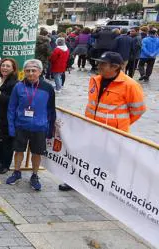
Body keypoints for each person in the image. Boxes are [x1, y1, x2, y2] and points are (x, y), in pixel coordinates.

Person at [59, 51, 146, 192]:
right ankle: (75, 181)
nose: (98, 65)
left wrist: (119, 123)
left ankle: (103, 188)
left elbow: (138, 110)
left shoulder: (130, 85)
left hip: (112, 132)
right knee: (83, 156)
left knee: (108, 161)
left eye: (103, 64)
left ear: (115, 67)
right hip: (90, 127)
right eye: (99, 62)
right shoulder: (95, 80)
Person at [6, 59, 56, 191]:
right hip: (21, 125)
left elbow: (51, 110)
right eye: (28, 70)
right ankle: (17, 172)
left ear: (39, 72)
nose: (30, 73)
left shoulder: (48, 88)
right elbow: (11, 107)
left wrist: (50, 129)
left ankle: (34, 175)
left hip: (39, 127)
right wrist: (11, 126)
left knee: (37, 153)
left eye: (34, 70)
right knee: (18, 150)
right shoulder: (18, 86)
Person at [0, 58, 18, 174]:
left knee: (7, 141)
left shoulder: (15, 83)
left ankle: (6, 164)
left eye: (8, 66)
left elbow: (15, 101)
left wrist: (2, 96)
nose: (4, 68)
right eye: (3, 65)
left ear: (13, 69)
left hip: (6, 116)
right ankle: (0, 161)